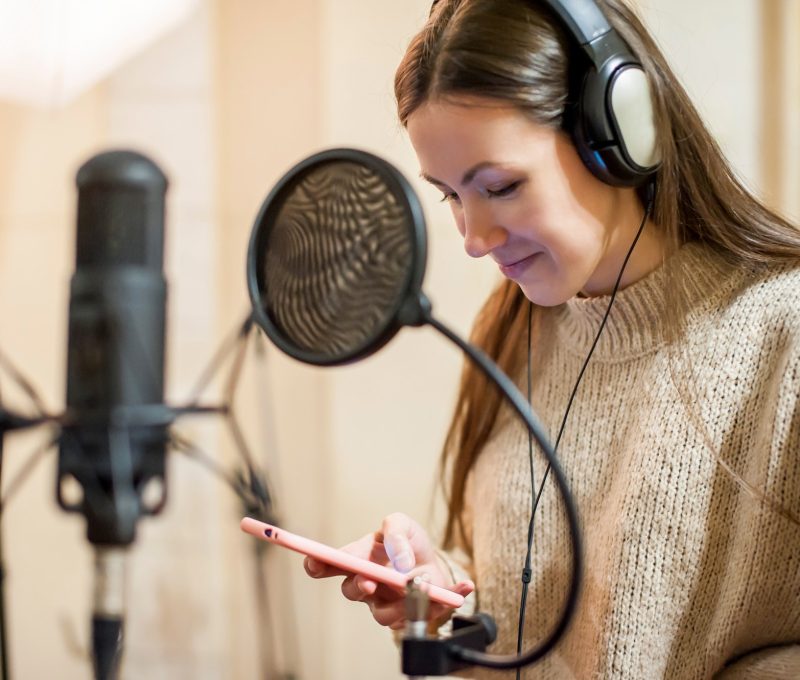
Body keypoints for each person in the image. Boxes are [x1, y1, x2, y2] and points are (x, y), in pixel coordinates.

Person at [304, 0, 800, 677]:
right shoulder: (510, 332)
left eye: (501, 186)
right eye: (450, 195)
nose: (474, 240)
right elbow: (529, 606)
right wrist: (444, 588)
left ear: (618, 133)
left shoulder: (783, 335)